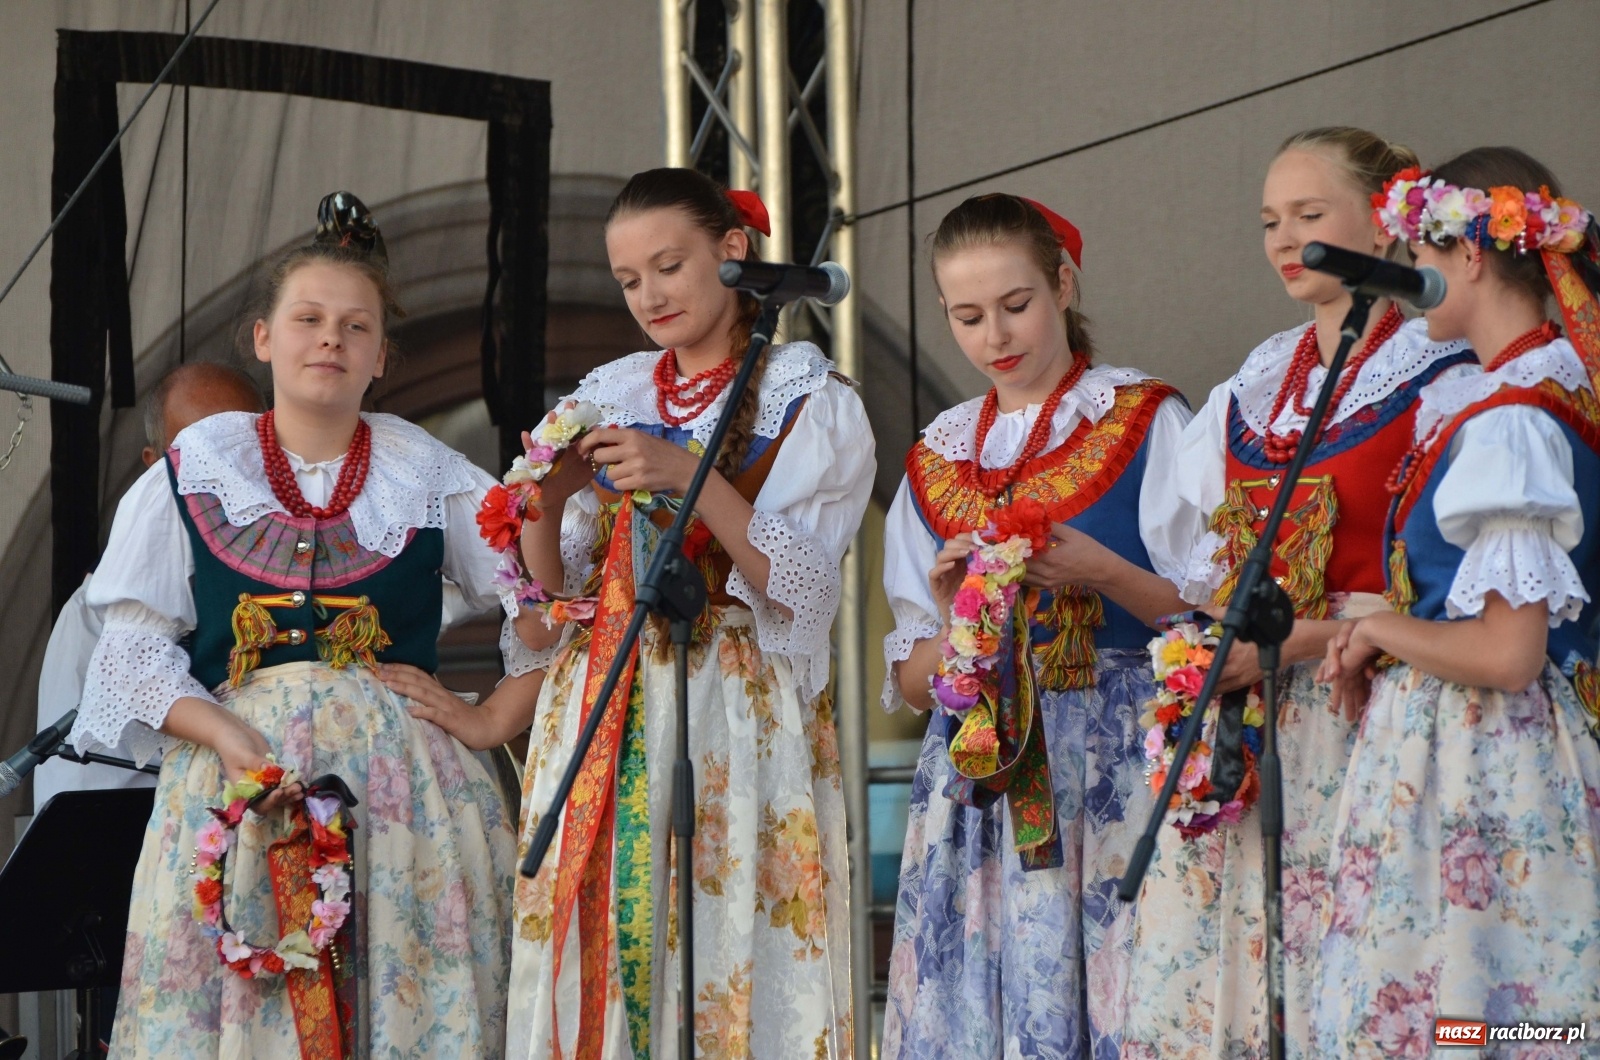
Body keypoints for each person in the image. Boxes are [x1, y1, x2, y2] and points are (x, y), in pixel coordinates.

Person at [394, 167, 874, 1059]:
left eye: (669, 267)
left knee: (720, 946)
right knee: (601, 962)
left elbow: (804, 589)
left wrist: (688, 478)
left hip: (728, 707)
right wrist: (545, 507)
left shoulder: (810, 398)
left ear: (733, 251)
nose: (649, 295)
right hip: (598, 703)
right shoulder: (610, 393)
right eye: (628, 280)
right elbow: (545, 621)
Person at [68, 201, 539, 1058]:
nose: (331, 339)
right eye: (309, 319)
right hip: (240, 788)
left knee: (405, 1009)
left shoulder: (430, 473)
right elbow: (133, 652)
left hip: (405, 804)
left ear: (380, 356)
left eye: (356, 326)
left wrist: (491, 719)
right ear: (263, 338)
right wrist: (227, 737)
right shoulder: (198, 466)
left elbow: (548, 610)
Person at [1120, 127, 1477, 1059]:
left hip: (1370, 703)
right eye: (1270, 220)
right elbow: (1204, 558)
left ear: (1386, 224)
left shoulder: (1443, 370)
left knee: (1358, 980)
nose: (1285, 239)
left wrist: (1307, 639)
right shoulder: (1259, 379)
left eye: (1310, 215)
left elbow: (1457, 589)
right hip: (1256, 715)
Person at [878, 192, 1194, 1059]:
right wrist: (959, 624)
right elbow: (913, 681)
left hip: (1118, 763)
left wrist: (1102, 571)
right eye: (968, 316)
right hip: (982, 776)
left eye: (1015, 304)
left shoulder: (1144, 420)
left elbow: (1215, 620)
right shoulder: (937, 458)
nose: (995, 336)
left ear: (1063, 283)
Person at [1315, 146, 1600, 1053]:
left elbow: (1507, 654)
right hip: (1484, 752)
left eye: (1419, 254)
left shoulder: (1512, 419)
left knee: (1476, 1018)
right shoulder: (1532, 389)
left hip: (1490, 760)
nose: (1407, 281)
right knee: (1491, 1017)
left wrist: (1379, 627)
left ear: (1470, 254)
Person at [34, 362, 264, 811]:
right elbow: (82, 793)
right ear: (155, 468)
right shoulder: (97, 613)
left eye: (240, 446)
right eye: (197, 455)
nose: (223, 472)